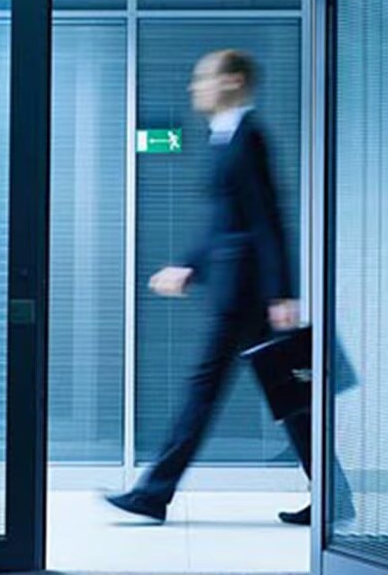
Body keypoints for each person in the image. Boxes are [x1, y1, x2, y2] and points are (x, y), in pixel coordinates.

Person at [105, 49, 315, 525]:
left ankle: (153, 494)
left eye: (203, 78)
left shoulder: (249, 138)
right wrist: (188, 265)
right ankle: (332, 495)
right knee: (287, 396)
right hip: (238, 290)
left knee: (208, 392)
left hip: (247, 295)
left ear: (232, 81)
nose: (193, 87)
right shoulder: (224, 137)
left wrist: (282, 293)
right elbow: (226, 224)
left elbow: (266, 220)